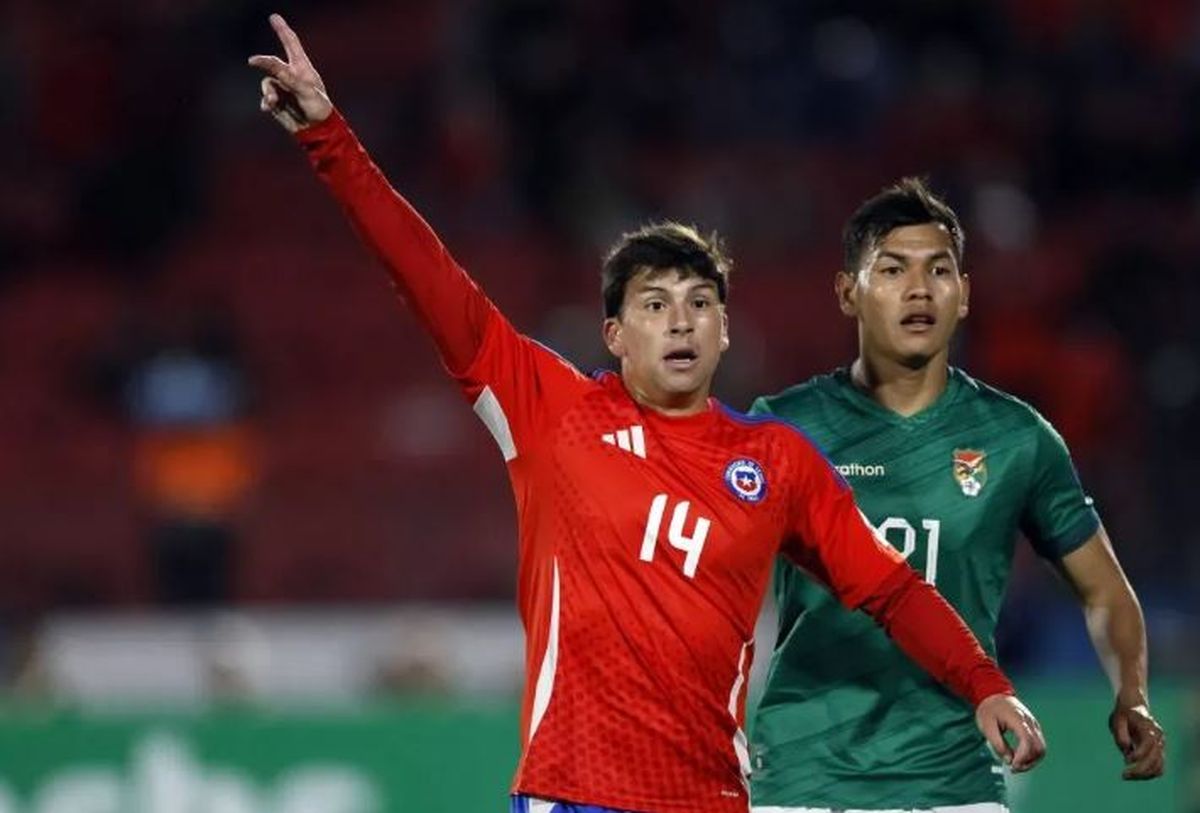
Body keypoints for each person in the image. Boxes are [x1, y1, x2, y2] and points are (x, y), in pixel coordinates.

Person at [249, 18, 1045, 812]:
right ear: (614, 334)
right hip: (574, 794)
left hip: (709, 800)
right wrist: (329, 138)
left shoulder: (776, 460)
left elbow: (893, 590)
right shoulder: (552, 411)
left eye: (701, 304)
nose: (682, 322)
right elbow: (426, 277)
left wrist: (984, 686)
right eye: (656, 304)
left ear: (726, 331)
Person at [748, 178, 1165, 813]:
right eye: (892, 270)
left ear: (964, 295)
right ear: (845, 293)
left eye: (938, 271)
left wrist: (1131, 694)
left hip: (954, 784)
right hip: (804, 780)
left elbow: (1104, 590)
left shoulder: (1016, 438)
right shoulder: (783, 429)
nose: (919, 289)